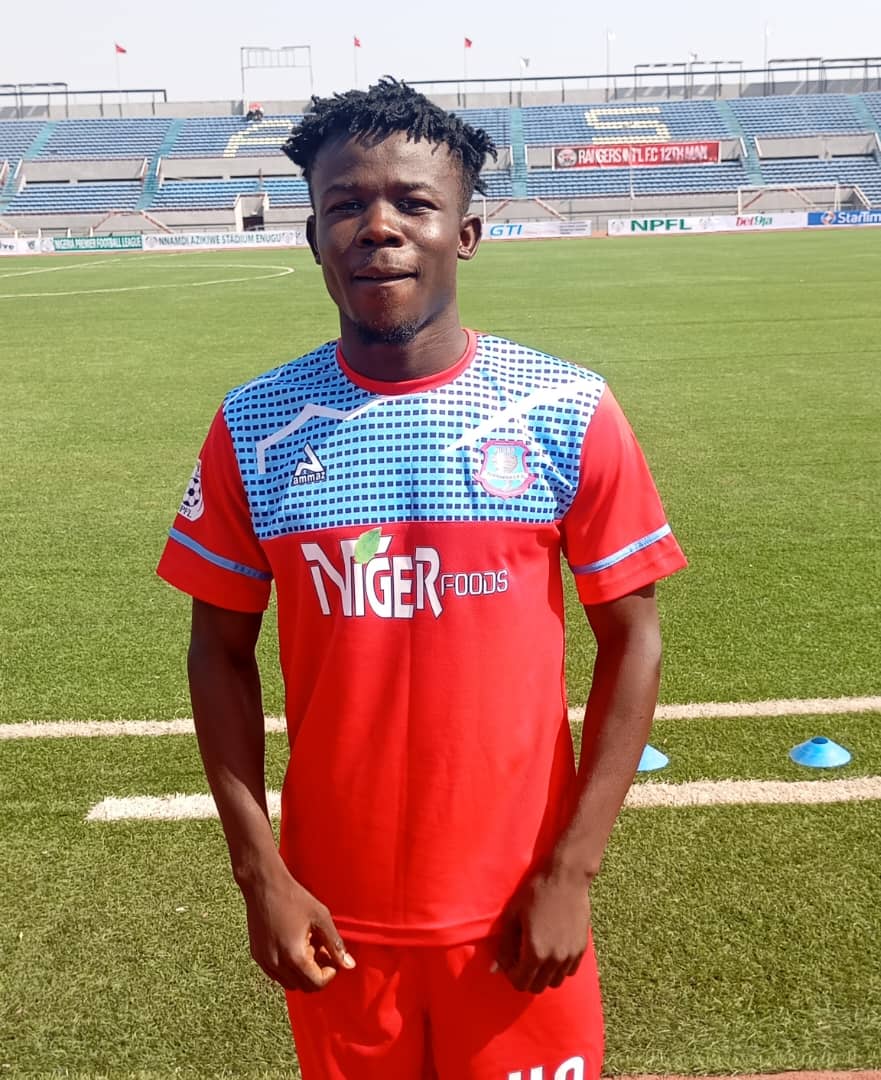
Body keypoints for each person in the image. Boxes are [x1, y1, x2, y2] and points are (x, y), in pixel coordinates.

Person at [157, 77, 687, 1080]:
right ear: (313, 238)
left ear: (466, 232)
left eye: (412, 202)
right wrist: (259, 874)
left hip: (520, 912)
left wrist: (571, 870)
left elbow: (634, 636)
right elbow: (216, 650)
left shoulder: (565, 409)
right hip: (333, 918)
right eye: (345, 206)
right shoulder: (254, 427)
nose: (377, 228)